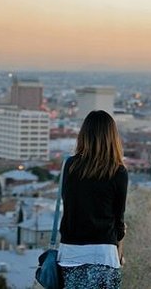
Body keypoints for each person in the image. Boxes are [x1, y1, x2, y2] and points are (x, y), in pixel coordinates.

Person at [58, 110, 128, 289]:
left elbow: (69, 204)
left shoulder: (70, 166)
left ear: (84, 135)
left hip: (71, 253)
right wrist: (119, 236)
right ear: (112, 137)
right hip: (104, 254)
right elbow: (118, 217)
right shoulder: (118, 172)